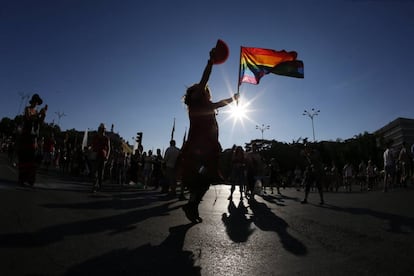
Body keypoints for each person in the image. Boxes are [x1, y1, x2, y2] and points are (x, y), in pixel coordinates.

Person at [179, 47, 239, 223]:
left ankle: (192, 206)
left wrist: (233, 99)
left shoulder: (206, 104)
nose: (203, 88)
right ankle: (191, 205)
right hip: (198, 149)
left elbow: (219, 104)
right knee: (202, 177)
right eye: (199, 88)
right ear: (194, 93)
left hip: (207, 148)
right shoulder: (196, 101)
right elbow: (204, 79)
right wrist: (211, 62)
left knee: (206, 179)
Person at [17, 93, 47, 186]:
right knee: (24, 157)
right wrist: (38, 115)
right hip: (26, 136)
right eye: (35, 101)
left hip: (34, 137)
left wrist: (43, 114)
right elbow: (28, 118)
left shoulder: (37, 112)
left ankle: (30, 178)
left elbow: (40, 123)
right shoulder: (27, 109)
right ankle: (22, 178)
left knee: (33, 158)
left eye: (37, 102)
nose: (36, 103)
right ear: (32, 101)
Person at [91, 123, 111, 192]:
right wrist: (91, 152)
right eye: (100, 129)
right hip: (95, 155)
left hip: (102, 156)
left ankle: (99, 185)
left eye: (103, 129)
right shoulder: (95, 137)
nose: (101, 130)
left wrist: (107, 156)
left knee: (100, 172)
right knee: (94, 172)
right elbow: (92, 146)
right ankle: (94, 186)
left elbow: (109, 148)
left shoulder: (106, 138)